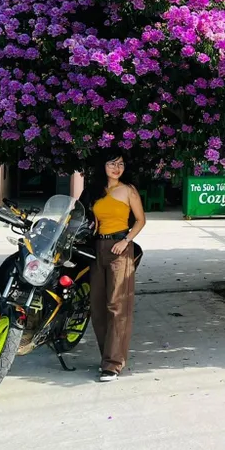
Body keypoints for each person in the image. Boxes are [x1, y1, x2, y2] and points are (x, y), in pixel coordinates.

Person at [81, 153, 146, 382]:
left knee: (117, 305)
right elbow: (85, 218)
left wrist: (126, 240)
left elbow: (140, 220)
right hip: (97, 248)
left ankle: (113, 364)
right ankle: (106, 357)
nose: (116, 168)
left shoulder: (128, 190)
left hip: (120, 249)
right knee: (97, 306)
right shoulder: (95, 191)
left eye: (120, 164)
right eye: (112, 163)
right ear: (103, 166)